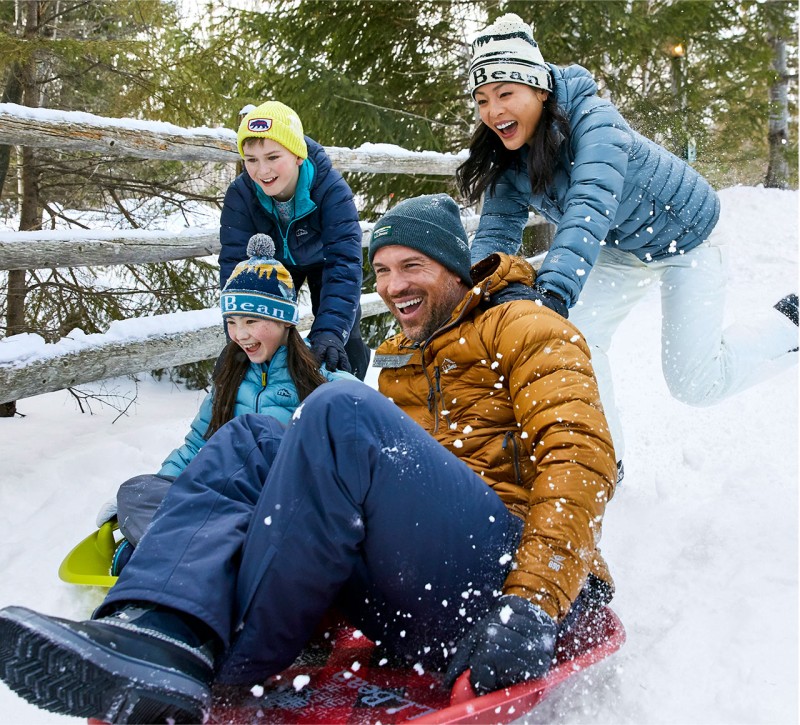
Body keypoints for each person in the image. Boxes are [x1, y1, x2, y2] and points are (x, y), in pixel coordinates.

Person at [0, 195, 616, 725]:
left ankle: (234, 653)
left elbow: (581, 458)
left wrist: (534, 604)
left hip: (504, 586)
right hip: (416, 602)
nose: (394, 285)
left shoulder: (528, 328)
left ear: (454, 268)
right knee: (253, 439)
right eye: (382, 270)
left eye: (413, 266)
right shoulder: (403, 358)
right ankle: (166, 634)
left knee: (337, 409)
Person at [457, 13, 799, 462]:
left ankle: (790, 322)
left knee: (695, 383)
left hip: (689, 237)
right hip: (622, 246)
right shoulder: (511, 157)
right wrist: (471, 294)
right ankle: (604, 458)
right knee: (574, 339)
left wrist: (555, 289)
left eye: (505, 94)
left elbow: (590, 203)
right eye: (482, 100)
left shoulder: (594, 121)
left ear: (540, 89)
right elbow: (496, 232)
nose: (493, 111)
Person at [96, 233, 356, 568]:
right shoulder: (231, 377)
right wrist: (161, 491)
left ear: (284, 320)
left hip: (284, 509)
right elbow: (195, 447)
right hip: (226, 503)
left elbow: (360, 453)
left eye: (252, 321)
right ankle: (185, 549)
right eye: (232, 322)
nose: (240, 335)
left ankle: (175, 553)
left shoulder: (323, 380)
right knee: (137, 491)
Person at [220, 100, 371, 380]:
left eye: (273, 157)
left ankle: (351, 390)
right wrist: (239, 336)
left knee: (343, 334)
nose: (262, 171)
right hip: (270, 262)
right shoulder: (241, 195)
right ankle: (271, 393)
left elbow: (344, 263)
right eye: (251, 160)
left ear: (298, 155)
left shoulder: (331, 190)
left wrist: (330, 332)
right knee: (267, 332)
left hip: (324, 263)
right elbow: (235, 266)